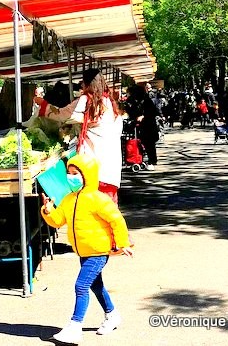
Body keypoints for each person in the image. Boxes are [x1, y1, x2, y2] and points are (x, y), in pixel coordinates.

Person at [41, 154, 133, 344]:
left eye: (75, 173)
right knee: (96, 285)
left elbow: (116, 220)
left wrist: (123, 243)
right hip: (83, 251)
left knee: (81, 285)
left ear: (87, 175)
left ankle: (75, 327)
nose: (71, 177)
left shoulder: (98, 199)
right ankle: (112, 315)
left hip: (98, 252)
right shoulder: (68, 199)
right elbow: (58, 221)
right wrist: (48, 211)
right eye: (69, 173)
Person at [36, 69, 123, 202]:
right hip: (112, 162)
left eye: (82, 83)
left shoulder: (86, 99)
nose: (81, 86)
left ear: (87, 84)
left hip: (94, 163)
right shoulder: (109, 102)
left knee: (92, 207)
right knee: (108, 208)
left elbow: (63, 114)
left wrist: (43, 105)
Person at [124, 84, 161, 170]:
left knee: (150, 144)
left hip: (149, 126)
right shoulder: (133, 101)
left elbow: (153, 112)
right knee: (143, 143)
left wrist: (143, 116)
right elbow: (132, 112)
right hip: (140, 126)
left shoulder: (147, 101)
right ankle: (140, 159)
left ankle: (152, 161)